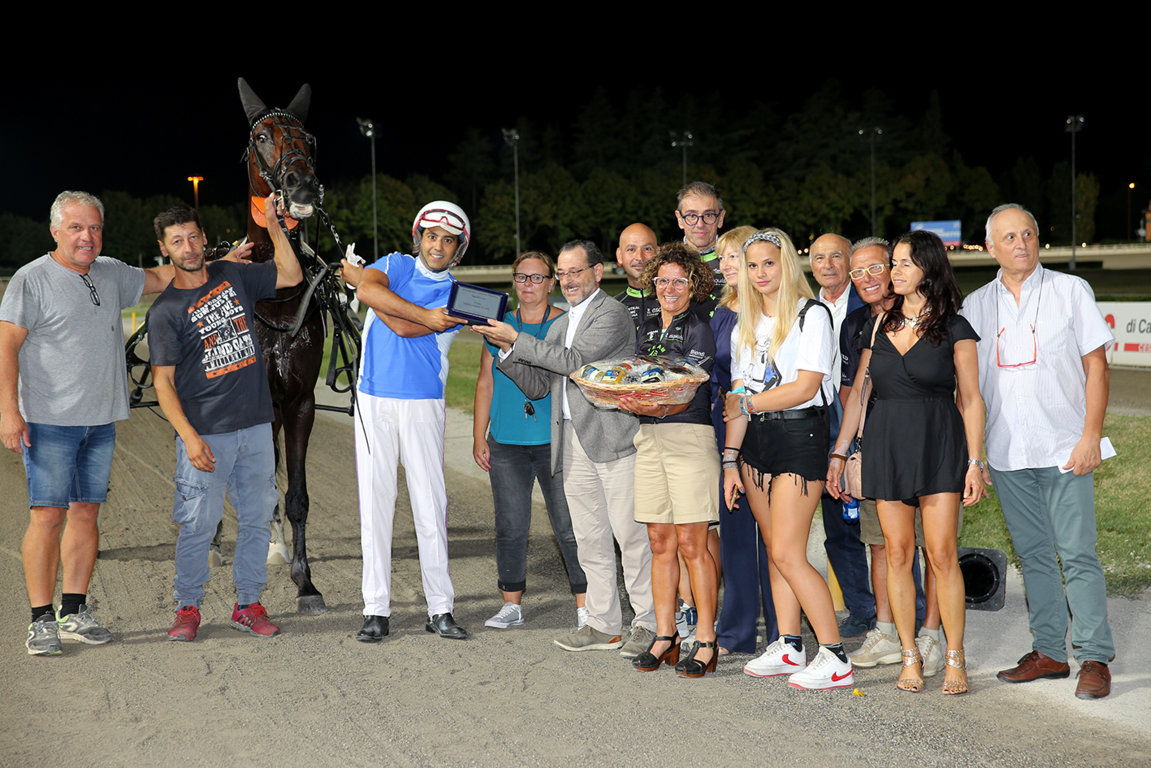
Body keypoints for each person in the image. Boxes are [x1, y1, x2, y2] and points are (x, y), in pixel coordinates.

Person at [1, 190, 181, 656]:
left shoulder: (111, 273)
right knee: (47, 516)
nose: (87, 236)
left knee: (85, 513)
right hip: (49, 421)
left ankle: (74, 611)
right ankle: (41, 620)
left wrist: (227, 259)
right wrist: (8, 411)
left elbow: (166, 275)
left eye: (95, 228)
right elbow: (6, 347)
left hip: (99, 422)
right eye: (77, 228)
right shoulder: (32, 280)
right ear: (56, 231)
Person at [961, 204, 1116, 700]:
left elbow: (1098, 367)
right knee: (1033, 556)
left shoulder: (1071, 290)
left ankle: (1094, 656)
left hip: (1065, 447)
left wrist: (1091, 434)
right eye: (1009, 237)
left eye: (1028, 233)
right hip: (1007, 454)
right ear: (991, 247)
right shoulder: (976, 305)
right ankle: (1049, 651)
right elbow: (970, 392)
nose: (1021, 243)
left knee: (1077, 553)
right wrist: (977, 458)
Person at [475, 240, 656, 659]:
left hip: (612, 440)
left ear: (597, 272)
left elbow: (574, 361)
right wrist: (504, 347)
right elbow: (540, 384)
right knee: (589, 539)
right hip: (571, 443)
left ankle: (646, 623)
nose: (570, 280)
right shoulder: (562, 323)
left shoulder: (610, 314)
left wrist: (516, 338)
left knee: (631, 538)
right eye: (565, 272)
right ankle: (603, 623)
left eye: (577, 272)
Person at [828, 230, 985, 695]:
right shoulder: (878, 325)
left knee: (940, 554)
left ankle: (954, 656)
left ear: (928, 269)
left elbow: (972, 399)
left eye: (902, 264)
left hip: (939, 443)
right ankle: (910, 654)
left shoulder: (955, 327)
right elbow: (860, 394)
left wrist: (975, 462)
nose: (892, 272)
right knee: (896, 553)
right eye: (892, 263)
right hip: (887, 444)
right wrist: (841, 452)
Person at [147, 200, 301, 640]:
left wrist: (274, 227)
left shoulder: (233, 276)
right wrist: (189, 437)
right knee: (197, 524)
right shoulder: (166, 310)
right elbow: (163, 384)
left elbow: (290, 276)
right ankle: (187, 607)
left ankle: (248, 604)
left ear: (203, 238)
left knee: (256, 522)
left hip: (254, 428)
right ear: (164, 248)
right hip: (206, 435)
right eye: (178, 241)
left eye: (194, 237)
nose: (189, 246)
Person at [722, 228, 853, 690]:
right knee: (774, 547)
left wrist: (750, 404)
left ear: (786, 266)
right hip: (755, 443)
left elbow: (804, 387)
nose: (760, 273)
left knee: (787, 551)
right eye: (752, 265)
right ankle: (790, 644)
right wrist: (729, 459)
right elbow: (738, 396)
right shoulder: (746, 321)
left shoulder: (811, 315)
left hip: (800, 434)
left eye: (768, 263)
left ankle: (835, 656)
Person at [341, 201, 471, 643]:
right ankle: (375, 609)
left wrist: (375, 292)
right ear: (420, 237)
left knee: (430, 506)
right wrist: (420, 312)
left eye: (448, 240)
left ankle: (441, 608)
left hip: (423, 403)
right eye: (432, 236)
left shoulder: (458, 294)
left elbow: (397, 323)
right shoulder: (395, 263)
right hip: (374, 398)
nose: (438, 246)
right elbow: (369, 296)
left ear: (458, 249)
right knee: (375, 504)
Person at [618, 243, 719, 677]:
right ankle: (666, 635)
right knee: (659, 541)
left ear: (693, 284)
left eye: (679, 280)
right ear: (652, 284)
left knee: (693, 544)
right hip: (650, 439)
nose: (669, 288)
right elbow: (640, 382)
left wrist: (650, 403)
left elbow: (687, 388)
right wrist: (627, 397)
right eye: (662, 280)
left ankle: (707, 640)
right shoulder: (647, 329)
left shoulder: (699, 325)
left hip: (689, 439)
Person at [472, 251, 587, 629]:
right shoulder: (499, 324)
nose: (528, 285)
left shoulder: (565, 324)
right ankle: (511, 603)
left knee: (568, 525)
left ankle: (585, 603)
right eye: (522, 278)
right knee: (510, 524)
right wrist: (479, 435)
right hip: (506, 439)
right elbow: (486, 380)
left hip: (555, 439)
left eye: (537, 278)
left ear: (551, 282)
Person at [838, 238, 933, 673]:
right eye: (857, 273)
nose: (867, 279)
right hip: (875, 448)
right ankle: (888, 632)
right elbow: (853, 391)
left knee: (933, 548)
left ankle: (931, 635)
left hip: (926, 445)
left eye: (876, 268)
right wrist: (844, 451)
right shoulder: (859, 323)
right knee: (880, 546)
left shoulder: (933, 316)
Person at [710, 226, 777, 656]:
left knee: (775, 534)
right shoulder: (719, 312)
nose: (729, 266)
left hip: (769, 423)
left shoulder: (772, 311)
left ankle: (780, 629)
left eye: (738, 257)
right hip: (726, 420)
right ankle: (735, 630)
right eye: (725, 259)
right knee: (735, 531)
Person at [809, 233, 874, 639]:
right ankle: (862, 609)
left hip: (863, 423)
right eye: (819, 257)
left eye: (837, 256)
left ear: (849, 262)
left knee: (883, 527)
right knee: (838, 526)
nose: (828, 263)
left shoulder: (867, 305)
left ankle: (911, 611)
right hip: (816, 425)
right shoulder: (803, 306)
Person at [614, 223, 660, 336]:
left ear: (658, 253)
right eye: (631, 249)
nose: (639, 257)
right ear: (619, 256)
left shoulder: (675, 301)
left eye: (647, 249)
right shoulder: (611, 308)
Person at [675, 181, 726, 285]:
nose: (700, 225)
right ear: (680, 219)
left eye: (708, 215)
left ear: (720, 218)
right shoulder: (664, 262)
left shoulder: (739, 262)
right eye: (692, 216)